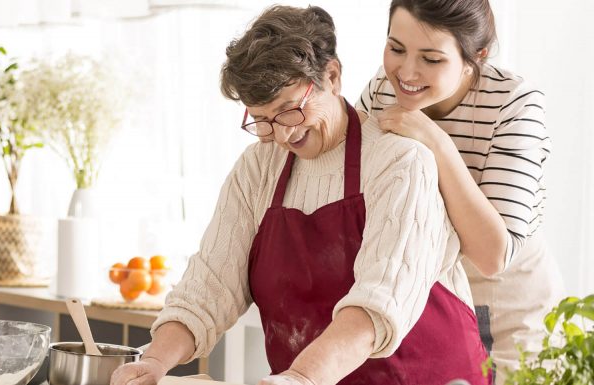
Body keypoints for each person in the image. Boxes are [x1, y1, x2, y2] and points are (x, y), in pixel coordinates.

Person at [112, 5, 489, 385]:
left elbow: (377, 305)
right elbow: (209, 287)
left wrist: (302, 378)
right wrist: (156, 360)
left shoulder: (401, 162)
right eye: (261, 119)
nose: (282, 136)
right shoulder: (259, 167)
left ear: (333, 76)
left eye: (290, 111)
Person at [354, 0, 564, 382]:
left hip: (504, 302)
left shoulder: (513, 103)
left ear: (476, 55)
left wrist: (435, 139)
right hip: (424, 294)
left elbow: (491, 254)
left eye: (431, 59)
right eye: (396, 48)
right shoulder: (380, 92)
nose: (407, 72)